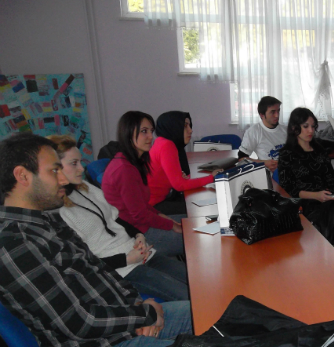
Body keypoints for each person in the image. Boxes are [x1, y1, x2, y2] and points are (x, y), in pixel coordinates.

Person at [0, 133, 206, 347]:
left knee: (209, 315)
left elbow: (100, 275)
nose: (62, 177)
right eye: (53, 170)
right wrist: (143, 314)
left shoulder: (46, 222)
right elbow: (79, 322)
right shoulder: (15, 244)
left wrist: (139, 306)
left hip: (119, 327)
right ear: (22, 176)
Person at [48, 134, 190, 302]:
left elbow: (115, 218)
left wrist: (138, 235)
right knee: (191, 296)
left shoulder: (85, 189)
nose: (81, 168)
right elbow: (83, 262)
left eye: (80, 161)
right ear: (54, 168)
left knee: (197, 280)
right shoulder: (56, 212)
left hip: (140, 253)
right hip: (122, 270)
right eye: (74, 163)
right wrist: (127, 259)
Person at [278, 107, 334, 270]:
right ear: (295, 128)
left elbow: (331, 179)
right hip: (304, 201)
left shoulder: (320, 150)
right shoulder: (287, 154)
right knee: (329, 216)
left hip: (326, 198)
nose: (311, 130)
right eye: (306, 126)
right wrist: (315, 196)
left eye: (313, 126)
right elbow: (289, 188)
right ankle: (322, 267)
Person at [102, 111, 184, 258]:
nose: (150, 137)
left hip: (143, 224)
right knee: (198, 238)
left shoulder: (131, 162)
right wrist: (171, 225)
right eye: (144, 131)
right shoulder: (124, 169)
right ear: (127, 133)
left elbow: (141, 204)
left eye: (151, 131)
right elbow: (139, 216)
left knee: (194, 222)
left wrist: (161, 215)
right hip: (138, 234)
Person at [148, 111, 219, 215]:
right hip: (154, 205)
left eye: (190, 125)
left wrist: (179, 176)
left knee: (199, 199)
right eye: (185, 126)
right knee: (200, 206)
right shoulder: (167, 146)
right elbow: (180, 185)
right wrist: (211, 178)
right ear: (173, 126)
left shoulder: (162, 142)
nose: (190, 130)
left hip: (161, 198)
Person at [237, 96, 286, 172]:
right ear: (262, 115)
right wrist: (263, 163)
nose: (277, 115)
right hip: (270, 176)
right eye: (272, 112)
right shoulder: (254, 132)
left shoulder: (286, 130)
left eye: (278, 111)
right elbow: (242, 159)